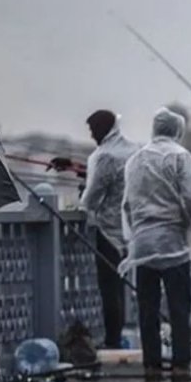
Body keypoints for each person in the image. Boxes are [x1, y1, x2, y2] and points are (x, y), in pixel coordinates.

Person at [120, 108, 191, 382]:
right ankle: (181, 364)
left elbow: (127, 204)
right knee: (179, 306)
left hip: (143, 246)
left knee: (147, 308)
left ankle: (152, 366)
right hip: (173, 244)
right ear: (177, 130)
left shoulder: (135, 160)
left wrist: (136, 235)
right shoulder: (181, 157)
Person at [78, 109, 139, 350]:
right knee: (124, 287)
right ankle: (124, 334)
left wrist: (83, 196)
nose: (92, 136)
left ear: (104, 129)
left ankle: (112, 340)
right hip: (133, 229)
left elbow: (91, 199)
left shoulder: (104, 156)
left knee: (110, 289)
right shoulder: (132, 150)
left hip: (108, 232)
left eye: (94, 130)